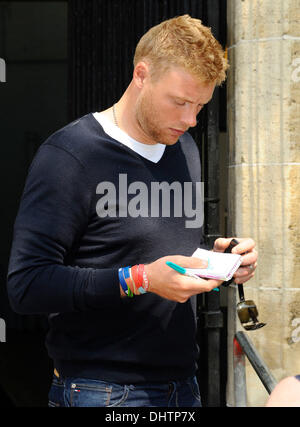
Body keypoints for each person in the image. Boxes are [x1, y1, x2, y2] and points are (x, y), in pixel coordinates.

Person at [7, 15, 257, 407]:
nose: (190, 120)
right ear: (142, 74)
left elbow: (155, 243)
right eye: (179, 102)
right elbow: (27, 286)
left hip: (183, 385)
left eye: (200, 105)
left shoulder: (184, 147)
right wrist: (139, 279)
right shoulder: (69, 156)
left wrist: (219, 260)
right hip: (101, 390)